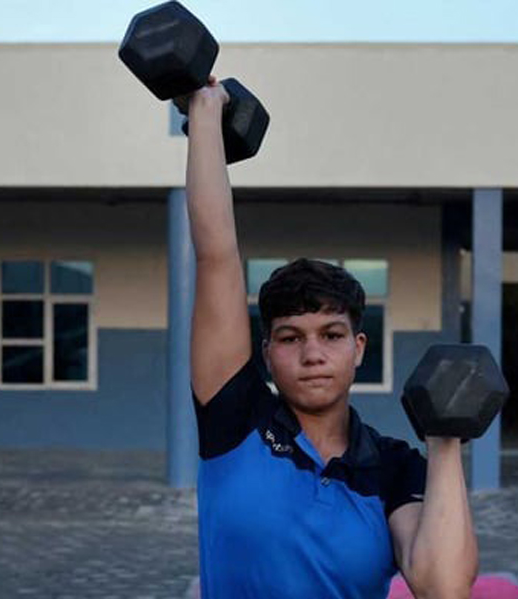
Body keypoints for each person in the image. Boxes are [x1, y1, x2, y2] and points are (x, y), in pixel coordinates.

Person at [185, 76, 477, 598]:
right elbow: (216, 255)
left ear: (358, 349)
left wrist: (445, 439)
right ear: (267, 353)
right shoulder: (234, 419)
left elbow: (444, 588)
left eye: (332, 334)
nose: (313, 354)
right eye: (291, 338)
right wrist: (206, 113)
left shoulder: (392, 467)